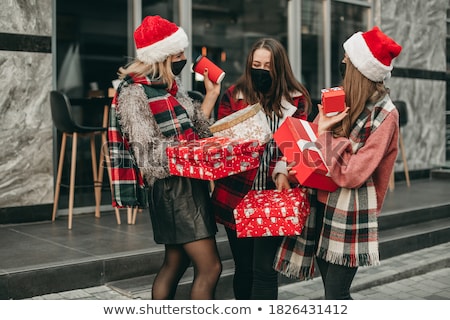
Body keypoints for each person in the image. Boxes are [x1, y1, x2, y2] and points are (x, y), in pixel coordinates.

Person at [274, 26, 402, 300]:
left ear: (360, 68)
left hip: (350, 215)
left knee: (336, 293)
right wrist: (284, 169)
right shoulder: (338, 99)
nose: (342, 62)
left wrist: (325, 135)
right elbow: (306, 141)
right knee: (332, 293)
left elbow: (353, 173)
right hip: (318, 207)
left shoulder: (385, 115)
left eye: (347, 58)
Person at [108, 15, 222, 300]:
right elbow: (147, 151)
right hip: (172, 186)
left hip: (187, 182)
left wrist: (211, 95)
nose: (184, 58)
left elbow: (198, 131)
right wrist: (188, 151)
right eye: (178, 54)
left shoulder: (171, 89)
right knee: (211, 268)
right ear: (161, 57)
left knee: (176, 261)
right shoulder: (135, 93)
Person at [211, 38, 312, 299]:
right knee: (244, 268)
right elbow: (221, 142)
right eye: (256, 64)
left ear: (279, 68)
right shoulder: (233, 96)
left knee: (265, 270)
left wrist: (282, 169)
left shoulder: (296, 100)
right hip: (236, 195)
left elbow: (297, 146)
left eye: (267, 65)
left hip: (273, 197)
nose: (261, 70)